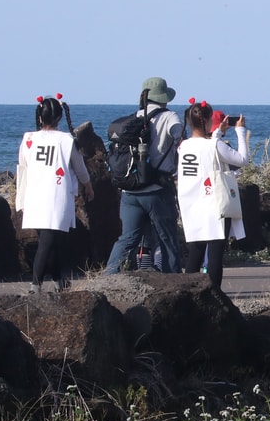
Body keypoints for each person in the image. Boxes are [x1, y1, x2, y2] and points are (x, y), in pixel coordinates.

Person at [103, 77, 184, 273]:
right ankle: (173, 282)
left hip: (130, 191)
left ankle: (108, 278)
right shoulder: (169, 116)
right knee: (167, 238)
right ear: (164, 98)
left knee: (128, 239)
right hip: (157, 190)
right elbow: (179, 135)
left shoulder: (134, 117)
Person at [16, 94, 94, 293]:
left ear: (40, 117)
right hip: (56, 195)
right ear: (59, 117)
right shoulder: (66, 140)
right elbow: (80, 168)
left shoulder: (29, 139)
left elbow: (23, 166)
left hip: (34, 194)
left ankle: (60, 281)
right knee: (48, 241)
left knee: (50, 240)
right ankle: (35, 285)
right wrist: (87, 185)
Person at [176, 100, 250, 290]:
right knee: (215, 253)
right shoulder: (214, 145)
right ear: (208, 120)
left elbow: (207, 148)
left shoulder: (183, 146)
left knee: (195, 252)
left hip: (191, 205)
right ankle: (214, 293)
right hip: (214, 205)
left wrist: (218, 133)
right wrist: (240, 132)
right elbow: (242, 160)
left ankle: (187, 293)